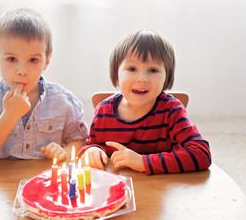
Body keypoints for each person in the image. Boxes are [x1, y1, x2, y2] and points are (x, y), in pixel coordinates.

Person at [0, 7, 88, 161]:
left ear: (46, 62)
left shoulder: (63, 100)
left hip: (44, 181)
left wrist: (64, 152)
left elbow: (79, 140)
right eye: (11, 59)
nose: (22, 71)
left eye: (33, 60)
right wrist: (9, 115)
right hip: (0, 183)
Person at [78, 29, 211, 174]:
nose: (142, 78)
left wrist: (143, 162)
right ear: (116, 76)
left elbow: (201, 154)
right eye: (132, 69)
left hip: (160, 189)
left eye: (153, 70)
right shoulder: (103, 111)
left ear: (166, 78)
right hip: (119, 190)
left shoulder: (171, 110)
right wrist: (92, 151)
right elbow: (93, 145)